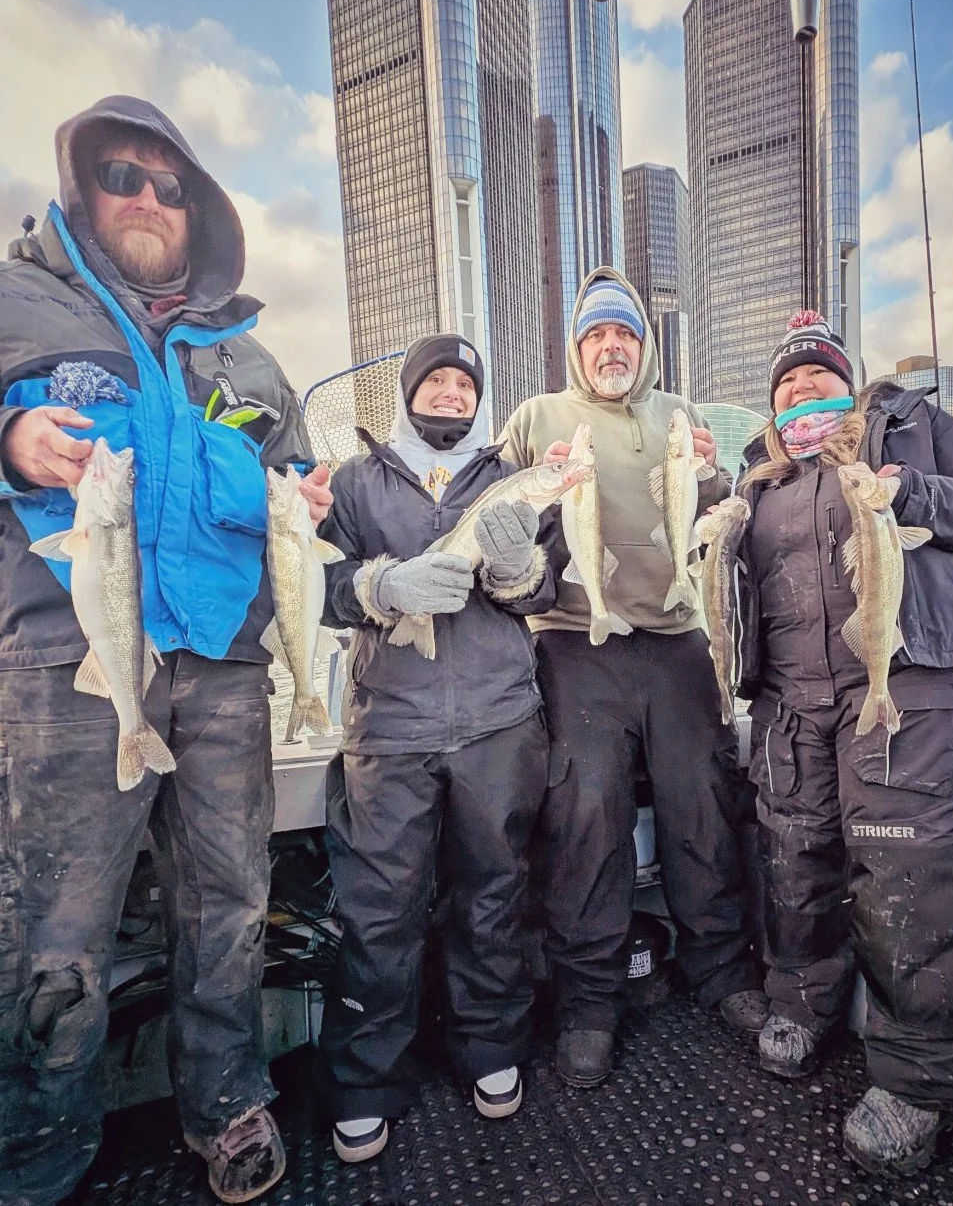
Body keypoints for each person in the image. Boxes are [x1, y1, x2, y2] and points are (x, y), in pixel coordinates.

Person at [0, 97, 331, 1206]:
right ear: (82, 186)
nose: (147, 198)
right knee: (57, 918)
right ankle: (39, 1146)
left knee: (232, 897)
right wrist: (7, 436)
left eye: (169, 185)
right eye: (123, 176)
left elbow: (298, 472)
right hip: (69, 668)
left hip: (227, 666)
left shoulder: (254, 360)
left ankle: (227, 1097)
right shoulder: (15, 301)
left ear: (200, 214)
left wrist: (308, 496)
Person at [733, 310, 953, 1176]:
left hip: (909, 682)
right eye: (784, 384)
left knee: (910, 872)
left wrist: (912, 492)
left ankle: (923, 1080)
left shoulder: (910, 425)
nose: (799, 391)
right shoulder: (757, 480)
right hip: (793, 702)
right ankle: (803, 1001)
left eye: (816, 375)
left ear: (847, 381)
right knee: (795, 856)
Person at [499, 269, 765, 1091]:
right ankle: (588, 1001)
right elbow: (490, 512)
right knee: (586, 810)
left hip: (675, 634)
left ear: (643, 346)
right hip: (576, 640)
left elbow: (714, 518)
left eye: (625, 335)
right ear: (577, 347)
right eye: (596, 335)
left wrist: (716, 479)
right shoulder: (536, 416)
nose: (611, 346)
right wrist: (533, 487)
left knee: (705, 798)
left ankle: (720, 968)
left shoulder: (680, 413)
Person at [316, 334, 557, 1164]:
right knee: (379, 911)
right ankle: (363, 1081)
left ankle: (492, 1049)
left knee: (494, 893)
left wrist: (521, 564)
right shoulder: (351, 481)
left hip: (498, 722)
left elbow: (547, 588)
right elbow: (313, 585)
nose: (453, 394)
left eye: (465, 384)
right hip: (389, 727)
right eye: (438, 381)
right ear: (411, 391)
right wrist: (380, 585)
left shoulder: (509, 478)